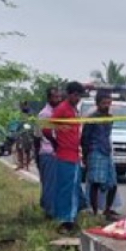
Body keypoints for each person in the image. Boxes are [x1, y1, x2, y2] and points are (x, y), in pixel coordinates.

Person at [49, 82, 86, 234]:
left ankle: (69, 218)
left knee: (72, 188)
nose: (77, 98)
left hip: (73, 154)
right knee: (67, 189)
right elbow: (47, 126)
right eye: (75, 95)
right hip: (66, 155)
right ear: (69, 94)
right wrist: (56, 142)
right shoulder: (62, 109)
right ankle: (66, 220)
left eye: (79, 96)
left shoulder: (73, 110)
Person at [81, 92, 120, 221]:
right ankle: (94, 211)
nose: (107, 106)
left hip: (106, 152)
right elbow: (85, 138)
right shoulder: (91, 118)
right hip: (95, 151)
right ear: (97, 103)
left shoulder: (110, 118)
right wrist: (85, 156)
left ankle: (107, 210)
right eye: (104, 103)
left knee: (112, 183)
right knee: (95, 183)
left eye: (109, 103)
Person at [36, 88, 63, 218]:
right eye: (55, 97)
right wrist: (37, 158)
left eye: (59, 97)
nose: (58, 100)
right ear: (49, 98)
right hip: (48, 152)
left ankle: (56, 211)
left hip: (59, 153)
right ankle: (49, 213)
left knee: (59, 184)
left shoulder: (60, 112)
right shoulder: (45, 114)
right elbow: (38, 136)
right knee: (49, 185)